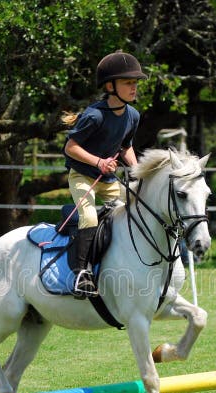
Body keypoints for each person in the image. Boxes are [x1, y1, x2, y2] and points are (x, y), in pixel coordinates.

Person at [62, 51, 147, 298]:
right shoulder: (94, 115)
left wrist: (137, 170)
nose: (134, 88)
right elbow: (71, 147)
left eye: (135, 83)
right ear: (110, 86)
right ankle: (81, 274)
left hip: (109, 181)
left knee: (135, 210)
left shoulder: (133, 115)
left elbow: (125, 147)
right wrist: (98, 162)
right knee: (89, 217)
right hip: (83, 177)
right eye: (128, 83)